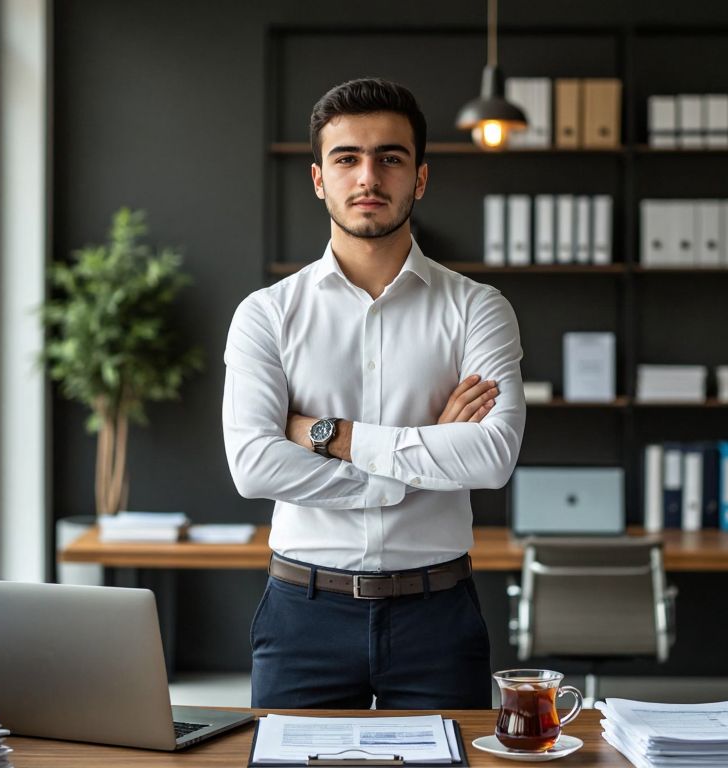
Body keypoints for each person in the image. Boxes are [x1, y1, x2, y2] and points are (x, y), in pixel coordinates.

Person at [222, 78, 526, 709]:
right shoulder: (266, 315)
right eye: (347, 158)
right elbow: (253, 466)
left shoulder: (478, 310)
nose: (369, 176)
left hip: (438, 615)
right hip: (302, 615)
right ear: (317, 178)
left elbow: (492, 458)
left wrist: (324, 433)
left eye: (390, 157)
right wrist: (421, 461)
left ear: (419, 178)